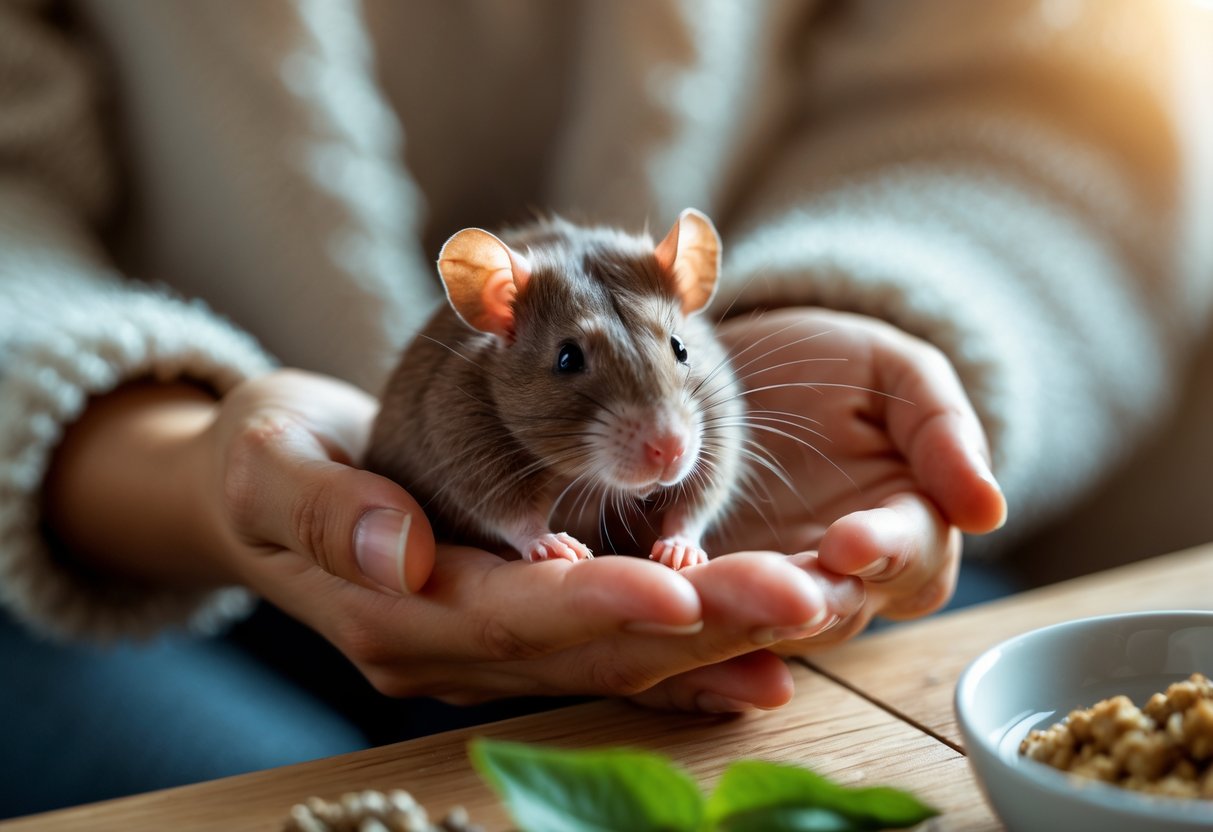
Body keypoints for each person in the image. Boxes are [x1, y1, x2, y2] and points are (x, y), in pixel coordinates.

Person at [1, 0, 1209, 818]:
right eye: (578, 368)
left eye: (680, 357)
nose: (663, 429)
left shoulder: (695, 396)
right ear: (495, 316)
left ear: (693, 286)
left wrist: (899, 317)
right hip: (128, 549)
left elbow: (1062, 82)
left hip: (760, 486)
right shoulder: (466, 415)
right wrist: (154, 455)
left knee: (902, 721)